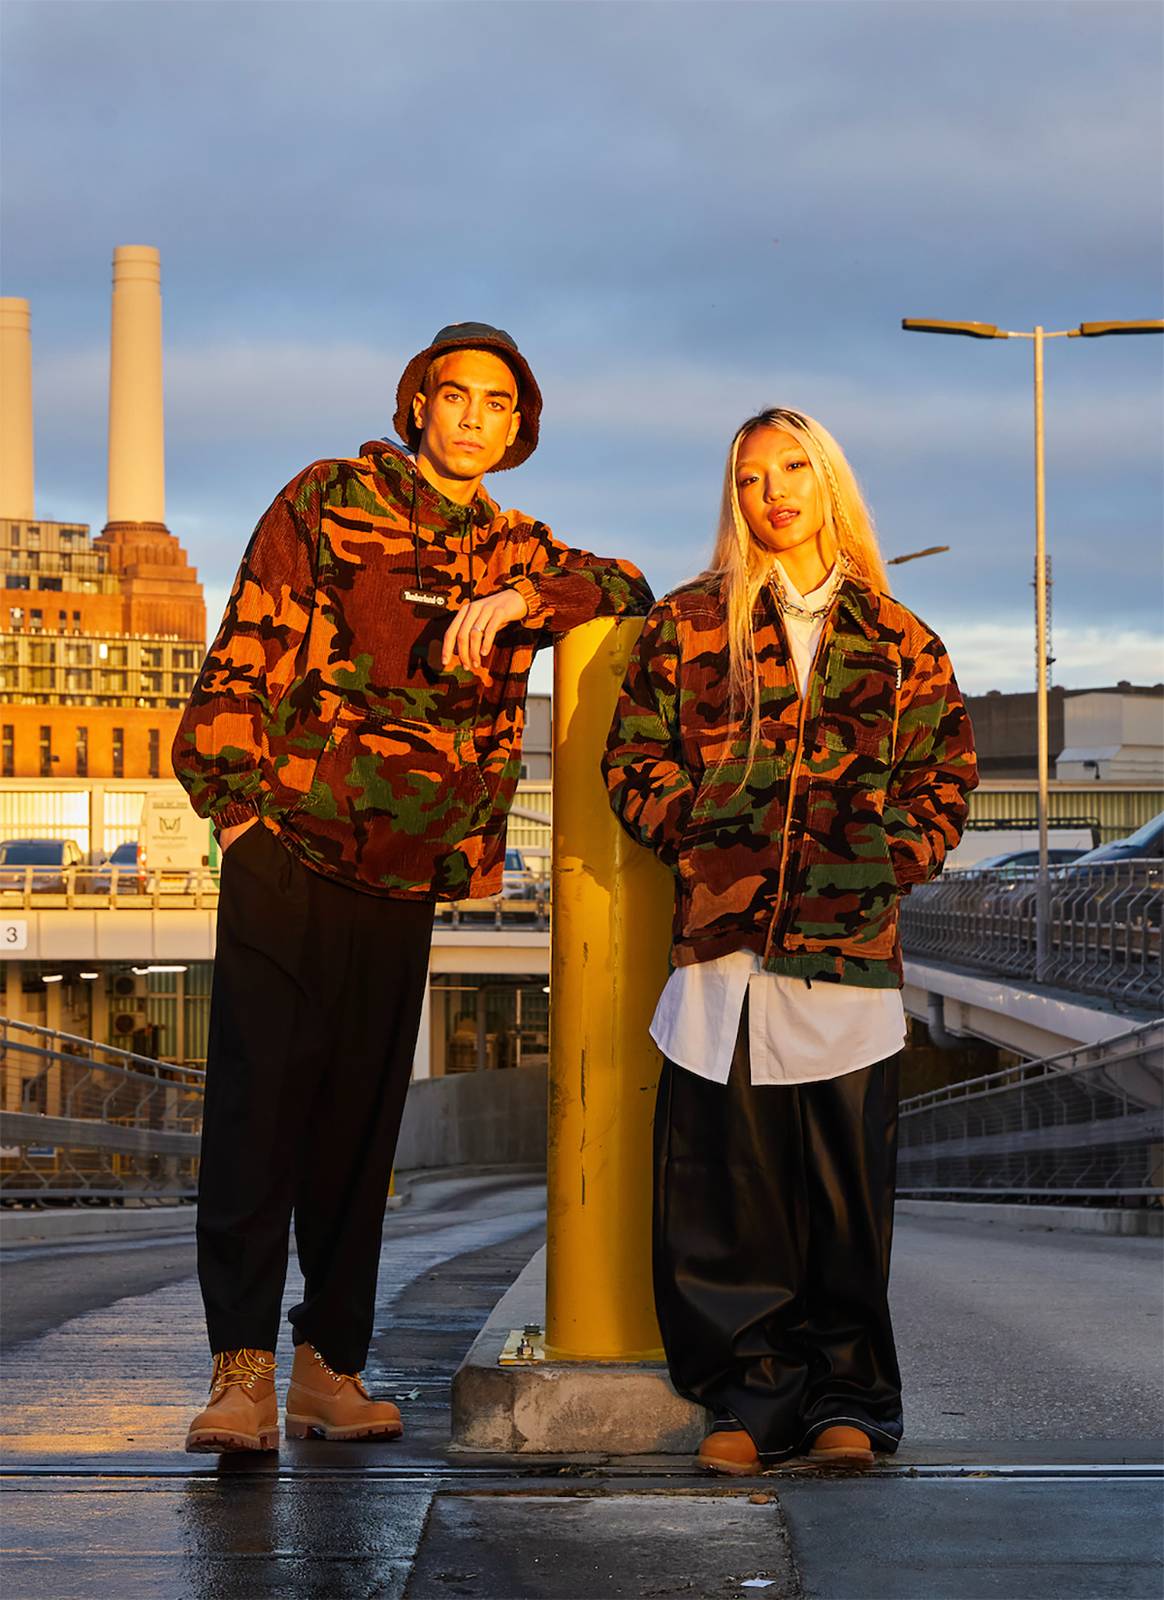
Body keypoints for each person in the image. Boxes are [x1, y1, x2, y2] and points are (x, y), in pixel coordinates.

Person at [175, 322, 652, 1453]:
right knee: (256, 1114)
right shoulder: (331, 497)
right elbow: (247, 642)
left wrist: (525, 603)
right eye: (457, 395)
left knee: (359, 1129)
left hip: (405, 873)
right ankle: (239, 1375)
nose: (475, 417)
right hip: (289, 847)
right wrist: (236, 810)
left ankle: (329, 1370)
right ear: (419, 404)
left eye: (499, 403)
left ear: (518, 426)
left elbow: (627, 586)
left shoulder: (514, 546)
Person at [603, 407, 976, 1474]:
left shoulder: (899, 638)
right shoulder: (687, 626)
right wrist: (702, 834)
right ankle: (747, 1400)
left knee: (844, 1201)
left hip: (846, 960)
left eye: (794, 468)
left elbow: (947, 775)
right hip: (721, 956)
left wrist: (882, 859)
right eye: (751, 475)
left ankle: (848, 1398)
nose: (773, 491)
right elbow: (632, 759)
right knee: (726, 1198)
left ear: (829, 483)